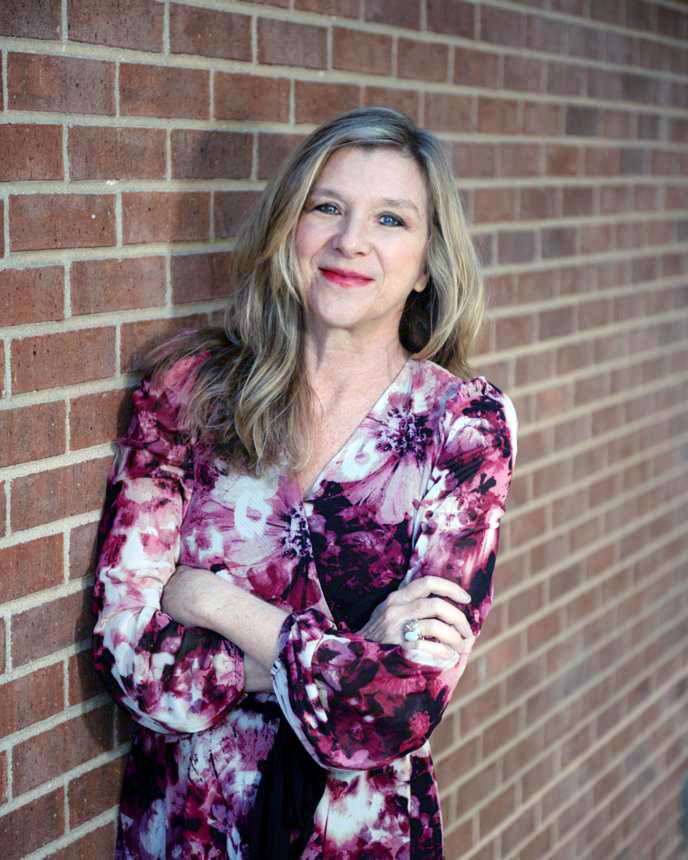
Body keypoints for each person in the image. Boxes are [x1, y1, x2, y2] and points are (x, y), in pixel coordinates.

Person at [92, 105, 518, 859]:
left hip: (360, 837)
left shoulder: (463, 425)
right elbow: (132, 661)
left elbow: (392, 713)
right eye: (328, 207)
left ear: (426, 263)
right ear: (290, 224)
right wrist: (351, 648)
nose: (351, 241)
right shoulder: (188, 393)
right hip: (189, 826)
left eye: (391, 219)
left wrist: (206, 599)